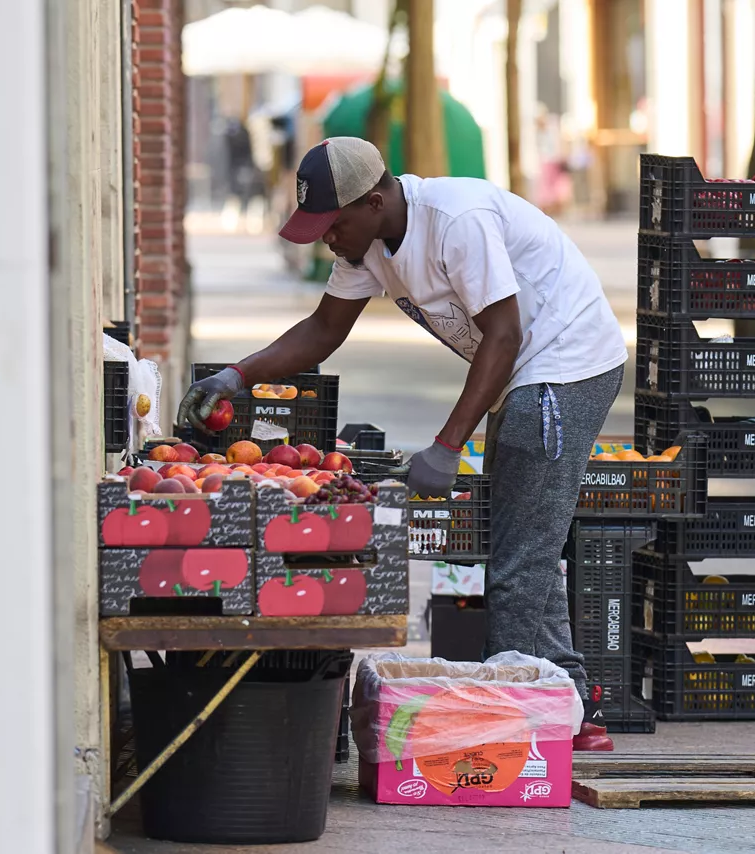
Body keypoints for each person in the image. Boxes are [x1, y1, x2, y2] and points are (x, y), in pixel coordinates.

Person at [177, 137, 627, 750]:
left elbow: (504, 335)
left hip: (566, 362)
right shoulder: (367, 244)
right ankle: (566, 708)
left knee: (520, 555)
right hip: (522, 371)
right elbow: (322, 329)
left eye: (333, 225)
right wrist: (236, 375)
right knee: (525, 538)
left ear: (374, 200)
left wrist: (445, 446)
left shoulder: (456, 222)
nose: (329, 240)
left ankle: (517, 726)